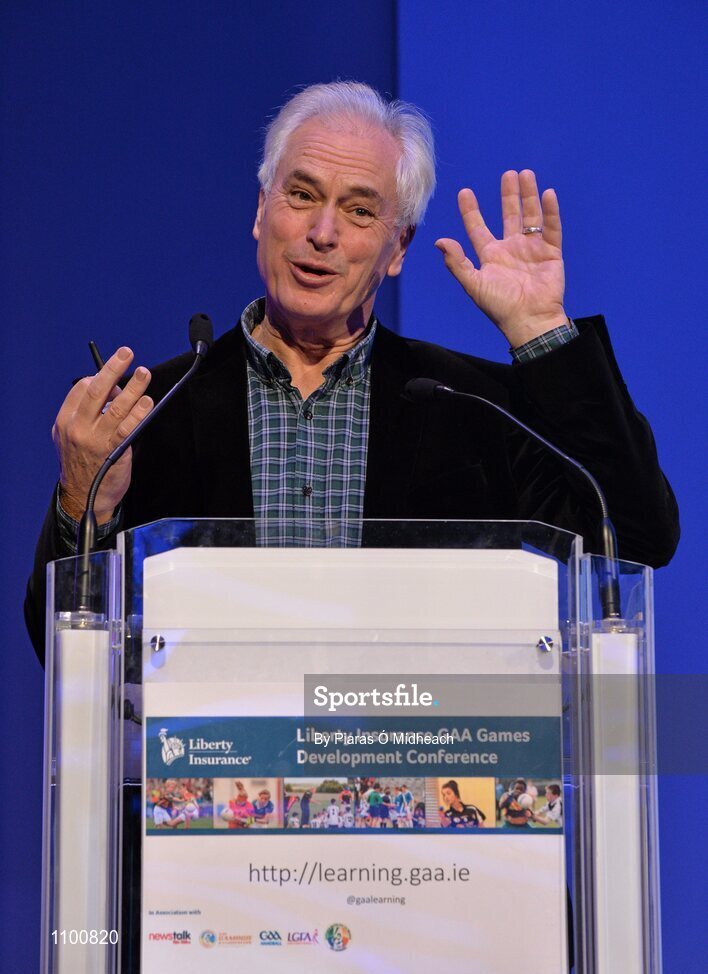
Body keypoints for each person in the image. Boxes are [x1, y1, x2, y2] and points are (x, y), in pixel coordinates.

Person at [25, 81, 679, 659]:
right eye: (301, 194)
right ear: (261, 211)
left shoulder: (474, 408)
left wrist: (542, 331)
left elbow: (634, 537)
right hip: (206, 758)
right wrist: (83, 502)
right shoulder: (150, 413)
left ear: (398, 247)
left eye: (360, 210)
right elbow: (61, 648)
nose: (323, 231)